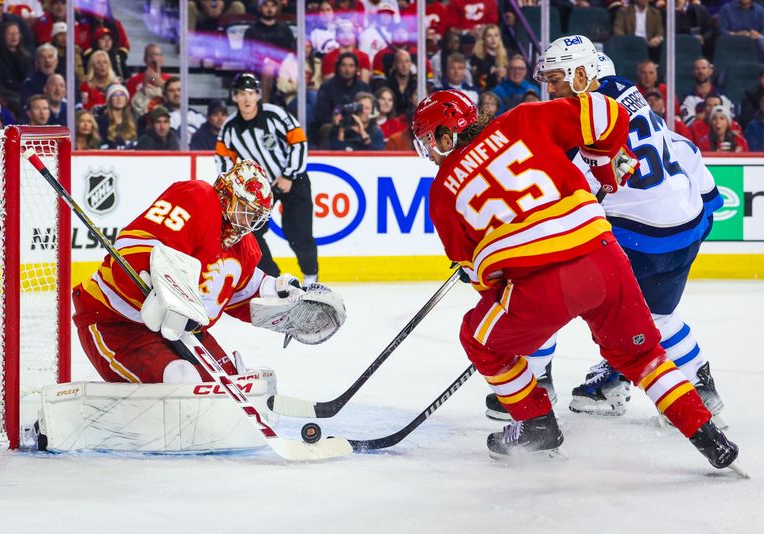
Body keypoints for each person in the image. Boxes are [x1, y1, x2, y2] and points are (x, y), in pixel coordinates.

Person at [411, 89, 739, 470]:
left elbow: (486, 281)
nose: (430, 152)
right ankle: (711, 439)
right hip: (604, 258)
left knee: (478, 337)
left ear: (446, 135)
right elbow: (610, 113)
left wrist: (522, 314)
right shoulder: (522, 119)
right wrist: (602, 166)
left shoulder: (442, 192)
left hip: (541, 286)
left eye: (429, 142)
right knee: (644, 355)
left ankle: (536, 425)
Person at [483, 36, 728, 425]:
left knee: (546, 290)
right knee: (655, 316)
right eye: (547, 79)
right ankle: (698, 385)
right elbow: (682, 153)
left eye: (557, 79)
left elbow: (552, 201)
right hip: (686, 227)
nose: (551, 88)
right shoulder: (627, 92)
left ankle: (537, 383)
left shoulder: (582, 127)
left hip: (640, 239)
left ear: (583, 74)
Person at [71, 159, 344, 384]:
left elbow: (242, 293)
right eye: (245, 210)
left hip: (182, 333)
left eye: (255, 216)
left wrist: (282, 297)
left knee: (230, 386)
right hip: (117, 321)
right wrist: (160, 289)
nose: (248, 223)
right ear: (227, 194)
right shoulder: (197, 198)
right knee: (181, 379)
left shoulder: (244, 246)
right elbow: (135, 245)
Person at [215, 73, 318, 284]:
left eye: (251, 93)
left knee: (298, 232)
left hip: (293, 180)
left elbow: (298, 142)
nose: (246, 99)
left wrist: (289, 174)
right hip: (255, 191)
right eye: (241, 94)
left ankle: (310, 276)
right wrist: (237, 192)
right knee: (250, 234)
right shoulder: (229, 129)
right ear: (234, 97)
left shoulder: (275, 115)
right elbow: (224, 162)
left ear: (258, 96)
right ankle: (274, 278)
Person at [97, 83, 137, 149]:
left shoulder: (132, 120)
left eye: (122, 95)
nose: (119, 98)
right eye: (115, 95)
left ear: (126, 99)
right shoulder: (102, 121)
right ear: (109, 100)